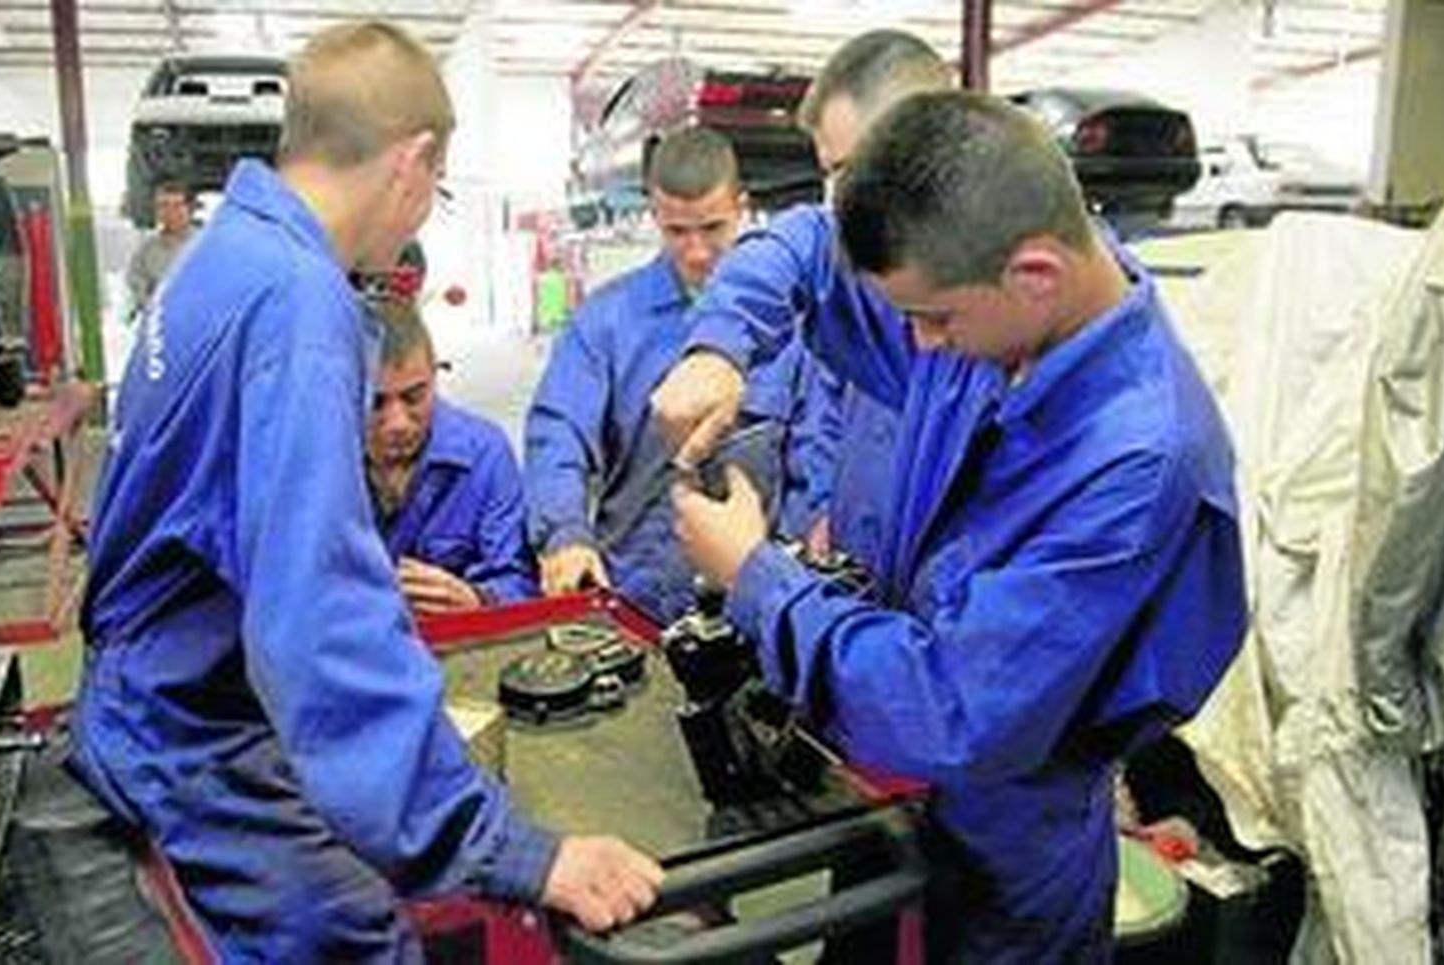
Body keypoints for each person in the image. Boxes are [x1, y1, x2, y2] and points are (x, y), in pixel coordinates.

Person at [72, 22, 659, 963]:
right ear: (415, 162)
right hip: (190, 731)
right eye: (436, 189)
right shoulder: (300, 305)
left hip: (153, 692)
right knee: (359, 935)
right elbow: (316, 613)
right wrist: (509, 847)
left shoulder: (219, 259)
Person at [660, 89, 1248, 962]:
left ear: (1036, 273)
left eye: (933, 319)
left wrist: (758, 576)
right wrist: (719, 345)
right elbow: (812, 245)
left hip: (1005, 851)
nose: (918, 348)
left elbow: (958, 711)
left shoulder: (1134, 461)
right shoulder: (995, 297)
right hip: (883, 784)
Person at [523, 125, 834, 625]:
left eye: (712, 228)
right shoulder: (605, 321)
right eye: (676, 231)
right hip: (632, 598)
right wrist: (565, 535)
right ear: (654, 215)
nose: (696, 252)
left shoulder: (795, 331)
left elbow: (816, 450)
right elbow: (558, 433)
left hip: (752, 600)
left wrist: (793, 561)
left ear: (741, 206)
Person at [367, 296, 537, 610]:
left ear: (435, 375)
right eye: (376, 403)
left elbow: (520, 581)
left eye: (414, 397)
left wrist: (478, 599)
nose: (398, 424)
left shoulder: (486, 455)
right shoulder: (317, 462)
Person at [125, 180, 195, 315]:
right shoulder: (145, 251)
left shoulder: (206, 244)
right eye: (164, 205)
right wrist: (152, 309)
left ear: (189, 209)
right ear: (157, 211)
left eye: (177, 205)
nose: (171, 212)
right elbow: (137, 287)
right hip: (161, 323)